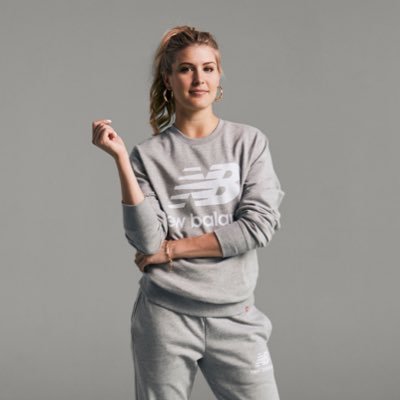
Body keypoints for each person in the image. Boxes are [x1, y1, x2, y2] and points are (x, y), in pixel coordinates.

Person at [92, 25, 285, 400]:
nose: (199, 79)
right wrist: (121, 160)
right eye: (186, 69)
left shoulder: (249, 142)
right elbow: (147, 241)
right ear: (168, 79)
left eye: (208, 68)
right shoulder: (148, 155)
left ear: (219, 75)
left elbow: (258, 227)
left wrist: (172, 250)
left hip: (235, 315)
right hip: (165, 317)